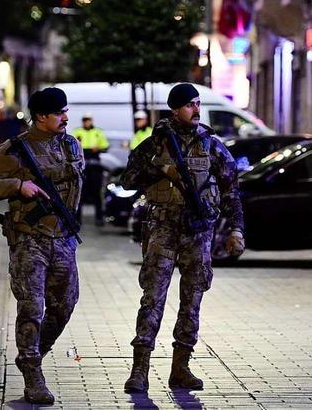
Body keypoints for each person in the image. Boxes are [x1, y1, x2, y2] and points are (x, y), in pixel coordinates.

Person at [120, 83, 245, 392]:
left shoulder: (211, 145)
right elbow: (128, 179)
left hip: (199, 233)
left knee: (192, 301)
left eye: (198, 104)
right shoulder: (154, 144)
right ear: (174, 109)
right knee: (152, 299)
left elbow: (231, 190)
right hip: (162, 230)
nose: (196, 109)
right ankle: (140, 369)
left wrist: (236, 229)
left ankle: (181, 367)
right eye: (190, 105)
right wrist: (162, 169)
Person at [0, 87, 84, 405]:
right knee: (32, 307)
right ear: (41, 117)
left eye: (66, 111)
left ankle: (33, 353)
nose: (66, 117)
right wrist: (18, 185)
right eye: (59, 112)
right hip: (29, 240)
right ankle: (33, 374)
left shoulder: (71, 144)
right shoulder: (16, 149)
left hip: (63, 239)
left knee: (63, 307)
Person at [72, 113, 109, 226]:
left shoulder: (98, 132)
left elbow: (105, 146)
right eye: (85, 120)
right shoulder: (77, 132)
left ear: (91, 121)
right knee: (80, 194)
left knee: (97, 193)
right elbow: (72, 147)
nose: (86, 122)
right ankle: (77, 219)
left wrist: (98, 148)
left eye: (88, 120)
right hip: (82, 167)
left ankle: (99, 218)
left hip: (95, 166)